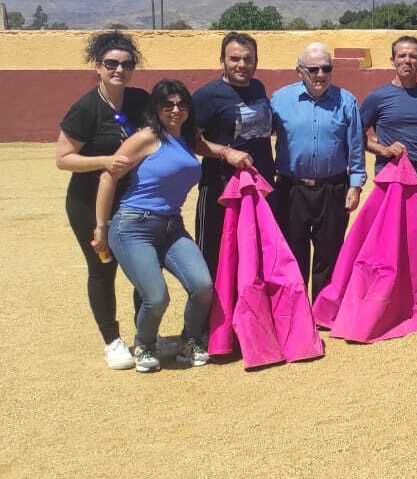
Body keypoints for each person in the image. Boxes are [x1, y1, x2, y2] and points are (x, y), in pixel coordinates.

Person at [94, 79, 213, 373]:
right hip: (132, 226)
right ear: (156, 108)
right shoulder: (146, 137)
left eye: (182, 104)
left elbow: (207, 147)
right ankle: (145, 343)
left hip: (172, 227)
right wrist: (101, 227)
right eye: (168, 104)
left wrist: (230, 154)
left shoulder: (185, 138)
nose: (176, 110)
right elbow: (108, 176)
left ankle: (189, 339)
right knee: (156, 296)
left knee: (202, 286)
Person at [56, 30, 149, 369]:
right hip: (86, 202)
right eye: (111, 63)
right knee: (102, 267)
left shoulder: (140, 101)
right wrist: (104, 162)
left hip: (133, 201)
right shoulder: (86, 108)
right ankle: (111, 340)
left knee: (141, 267)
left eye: (126, 64)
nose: (119, 70)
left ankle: (145, 336)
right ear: (98, 67)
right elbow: (63, 158)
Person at [268, 43, 365, 299]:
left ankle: (323, 310)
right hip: (291, 189)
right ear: (299, 70)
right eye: (313, 69)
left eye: (326, 68)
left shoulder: (347, 101)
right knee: (293, 251)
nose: (320, 75)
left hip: (333, 188)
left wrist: (355, 186)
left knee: (329, 253)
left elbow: (356, 146)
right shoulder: (279, 100)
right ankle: (297, 311)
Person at [193, 32, 275, 274]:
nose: (241, 65)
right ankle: (211, 312)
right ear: (222, 60)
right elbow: (191, 141)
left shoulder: (258, 88)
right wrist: (225, 152)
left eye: (248, 59)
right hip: (220, 188)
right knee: (214, 256)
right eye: (235, 58)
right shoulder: (207, 96)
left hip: (258, 187)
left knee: (252, 256)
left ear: (256, 62)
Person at [361, 36, 417, 213]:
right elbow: (356, 136)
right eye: (401, 56)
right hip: (390, 179)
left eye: (413, 56)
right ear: (393, 61)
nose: (407, 61)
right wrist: (383, 150)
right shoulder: (377, 97)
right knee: (391, 236)